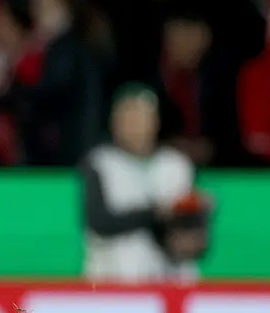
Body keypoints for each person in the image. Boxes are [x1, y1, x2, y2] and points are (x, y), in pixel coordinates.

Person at [81, 83, 210, 283]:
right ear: (114, 122)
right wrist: (155, 213)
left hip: (169, 285)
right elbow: (99, 221)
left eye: (141, 116)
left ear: (155, 120)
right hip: (113, 284)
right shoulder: (101, 163)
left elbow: (191, 241)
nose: (135, 124)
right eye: (128, 117)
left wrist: (196, 222)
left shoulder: (176, 165)